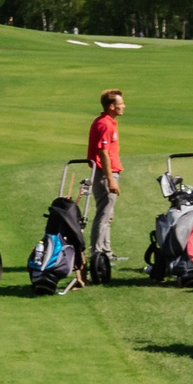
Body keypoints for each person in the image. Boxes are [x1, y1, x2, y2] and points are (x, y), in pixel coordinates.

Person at [87, 89, 124, 270]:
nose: (123, 106)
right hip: (105, 174)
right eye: (120, 103)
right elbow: (102, 153)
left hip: (108, 173)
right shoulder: (105, 124)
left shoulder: (107, 122)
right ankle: (97, 254)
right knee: (103, 215)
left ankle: (106, 253)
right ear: (111, 106)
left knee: (108, 215)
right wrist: (111, 180)